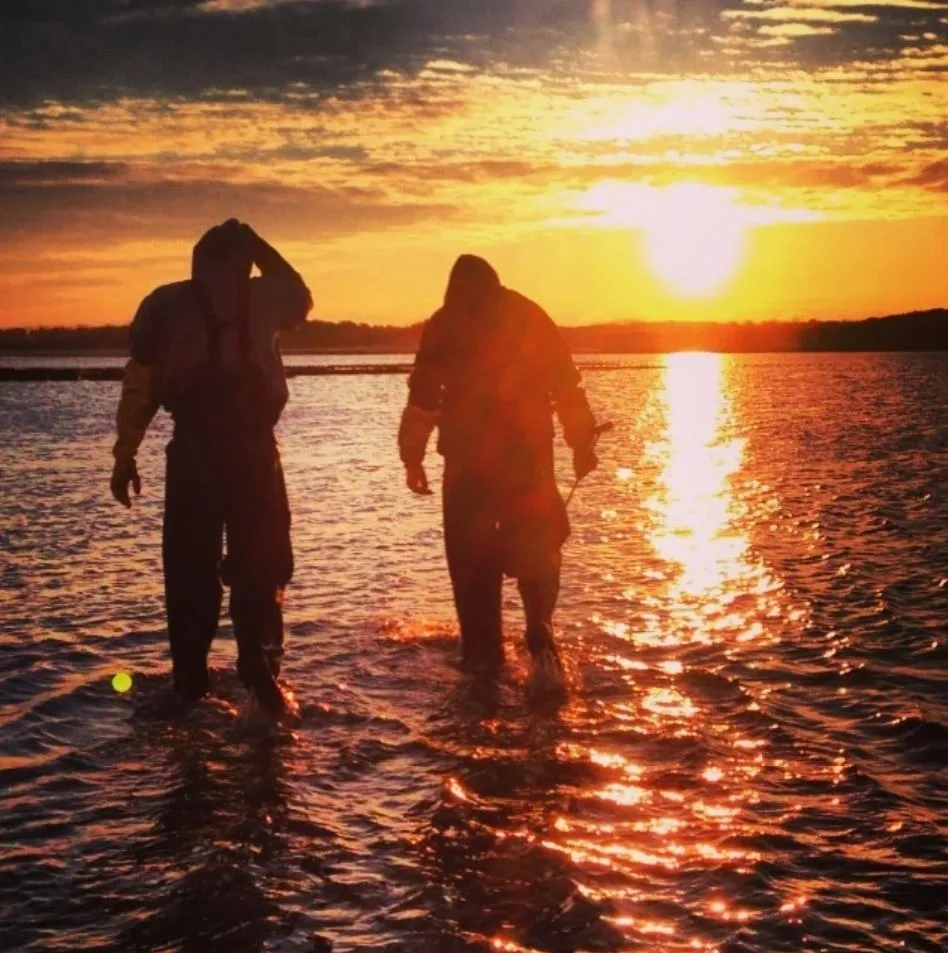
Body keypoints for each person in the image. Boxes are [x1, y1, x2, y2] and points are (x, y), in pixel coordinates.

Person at [110, 219, 312, 718]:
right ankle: (259, 669)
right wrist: (260, 244)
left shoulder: (162, 304)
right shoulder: (265, 296)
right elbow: (303, 298)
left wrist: (125, 454)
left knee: (189, 574)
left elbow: (141, 386)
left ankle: (190, 686)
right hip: (254, 458)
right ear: (244, 263)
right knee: (262, 566)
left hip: (195, 458)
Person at [398, 255, 600, 698]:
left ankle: (482, 667)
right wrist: (581, 443)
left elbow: (423, 397)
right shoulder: (529, 315)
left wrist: (412, 457)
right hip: (527, 461)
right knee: (538, 548)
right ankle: (539, 633)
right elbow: (567, 386)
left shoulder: (446, 322)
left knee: (471, 566)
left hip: (467, 467)